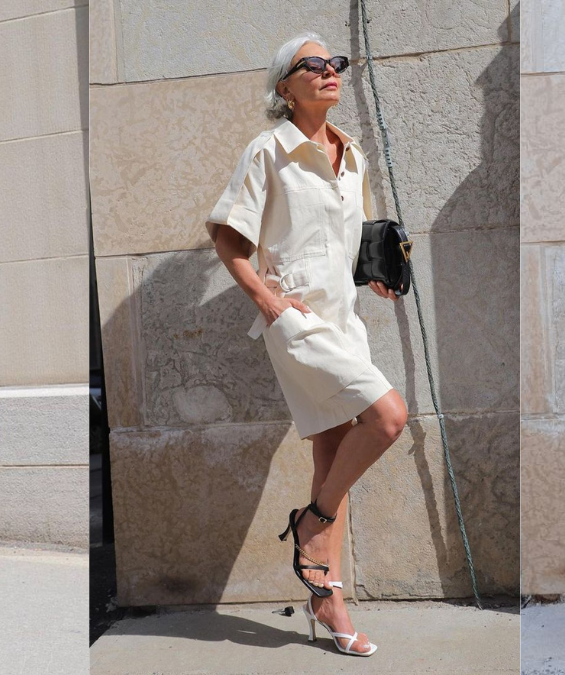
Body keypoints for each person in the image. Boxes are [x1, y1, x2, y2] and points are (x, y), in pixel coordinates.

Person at [205, 32, 409, 657]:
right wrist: (266, 301)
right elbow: (228, 238)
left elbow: (348, 237)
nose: (329, 71)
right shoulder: (268, 150)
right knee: (388, 417)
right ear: (285, 87)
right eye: (312, 65)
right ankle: (312, 527)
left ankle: (327, 597)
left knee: (332, 452)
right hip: (296, 319)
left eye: (334, 63)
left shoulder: (352, 156)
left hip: (345, 319)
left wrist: (372, 271)